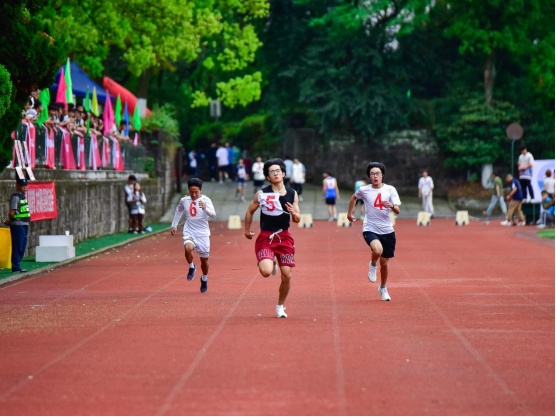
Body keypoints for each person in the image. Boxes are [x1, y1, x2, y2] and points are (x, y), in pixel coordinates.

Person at [244, 158, 301, 318]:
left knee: (287, 275)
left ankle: (280, 306)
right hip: (266, 237)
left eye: (278, 171)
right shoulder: (262, 193)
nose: (275, 174)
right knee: (266, 272)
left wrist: (293, 213)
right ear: (267, 177)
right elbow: (249, 211)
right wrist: (247, 231)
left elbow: (297, 219)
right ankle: (271, 261)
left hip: (284, 237)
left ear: (283, 174)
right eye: (271, 172)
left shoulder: (292, 193)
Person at [347, 162, 401, 301]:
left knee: (385, 263)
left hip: (387, 230)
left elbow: (397, 211)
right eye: (372, 174)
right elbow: (353, 197)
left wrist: (392, 206)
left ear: (382, 175)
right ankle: (372, 265)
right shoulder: (364, 190)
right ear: (369, 176)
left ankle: (383, 288)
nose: (375, 176)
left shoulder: (390, 189)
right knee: (377, 250)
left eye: (377, 173)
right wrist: (349, 214)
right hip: (370, 227)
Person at [170, 178, 216, 293]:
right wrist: (174, 225)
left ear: (200, 190)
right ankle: (191, 267)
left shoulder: (206, 200)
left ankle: (204, 278)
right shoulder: (184, 200)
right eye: (192, 192)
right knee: (188, 248)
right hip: (189, 231)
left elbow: (213, 215)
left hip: (203, 234)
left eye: (196, 192)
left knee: (204, 261)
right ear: (188, 190)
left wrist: (204, 208)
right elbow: (178, 211)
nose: (194, 194)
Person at [4, 178, 31, 273]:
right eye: (23, 186)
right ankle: (15, 265)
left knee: (22, 246)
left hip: (24, 224)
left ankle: (17, 264)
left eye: (26, 185)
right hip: (18, 225)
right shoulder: (16, 197)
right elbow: (12, 212)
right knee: (18, 245)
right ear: (17, 186)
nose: (25, 187)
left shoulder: (22, 196)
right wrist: (10, 220)